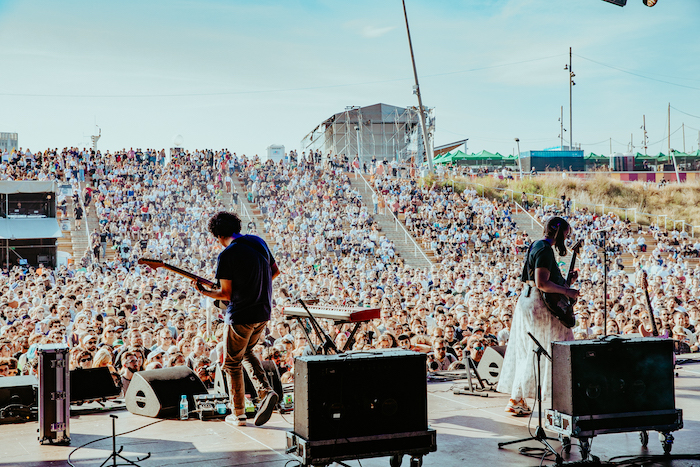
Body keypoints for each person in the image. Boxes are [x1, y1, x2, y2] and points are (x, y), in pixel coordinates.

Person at [193, 211, 279, 427]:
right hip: (263, 312)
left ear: (217, 236)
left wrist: (205, 293)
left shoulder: (227, 254)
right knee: (247, 351)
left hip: (241, 315)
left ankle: (238, 413)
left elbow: (226, 294)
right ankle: (266, 392)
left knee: (231, 362)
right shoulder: (258, 241)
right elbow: (274, 272)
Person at [497, 216, 579, 416]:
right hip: (538, 303)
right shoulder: (544, 249)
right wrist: (568, 292)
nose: (566, 240)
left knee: (528, 350)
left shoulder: (537, 245)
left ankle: (517, 398)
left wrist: (567, 281)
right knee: (545, 348)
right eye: (566, 235)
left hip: (529, 300)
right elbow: (542, 283)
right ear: (560, 233)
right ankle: (524, 398)